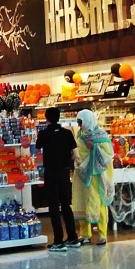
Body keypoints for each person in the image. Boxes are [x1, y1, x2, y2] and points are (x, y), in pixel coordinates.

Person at [36, 106, 80, 253]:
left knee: (54, 206)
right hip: (64, 173)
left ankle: (58, 241)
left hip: (51, 173)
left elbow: (37, 148)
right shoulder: (67, 133)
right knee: (66, 205)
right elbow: (75, 154)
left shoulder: (44, 133)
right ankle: (73, 237)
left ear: (46, 118)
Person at [73, 108, 114, 245]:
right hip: (82, 174)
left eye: (80, 122)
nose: (79, 125)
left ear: (87, 120)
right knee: (82, 202)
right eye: (78, 122)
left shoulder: (100, 135)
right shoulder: (80, 134)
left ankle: (102, 235)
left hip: (97, 176)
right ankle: (85, 234)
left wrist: (94, 148)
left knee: (99, 203)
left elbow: (108, 155)